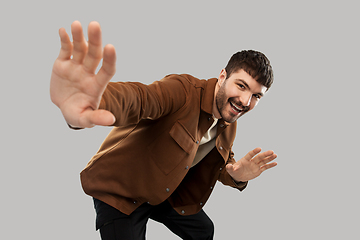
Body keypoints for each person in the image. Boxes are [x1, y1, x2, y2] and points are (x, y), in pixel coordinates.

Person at [50, 21, 278, 240]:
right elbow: (140, 99)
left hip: (163, 192)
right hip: (120, 191)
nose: (246, 101)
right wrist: (92, 101)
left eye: (256, 95)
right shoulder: (183, 91)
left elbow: (223, 162)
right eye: (241, 85)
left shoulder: (229, 123)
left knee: (204, 231)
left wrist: (236, 176)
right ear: (222, 77)